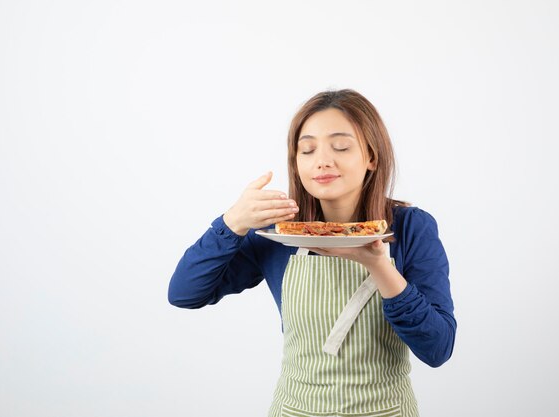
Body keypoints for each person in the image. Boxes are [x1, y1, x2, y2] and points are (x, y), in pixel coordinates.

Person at [168, 89, 456, 417]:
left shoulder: (410, 228)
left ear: (371, 157)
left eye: (341, 146)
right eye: (307, 149)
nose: (321, 161)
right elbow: (184, 294)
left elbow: (438, 348)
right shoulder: (278, 232)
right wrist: (231, 222)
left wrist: (379, 266)